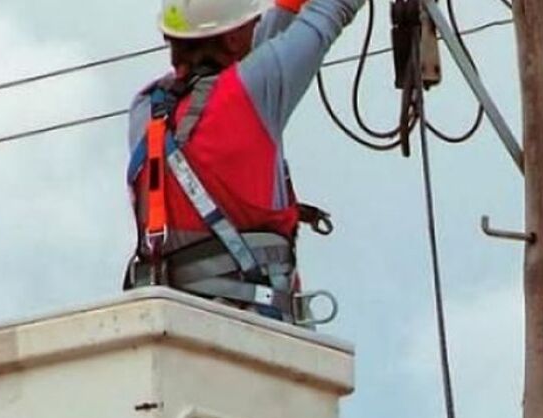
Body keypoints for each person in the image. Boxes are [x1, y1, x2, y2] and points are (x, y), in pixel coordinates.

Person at [124, 0, 364, 323]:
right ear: (234, 39)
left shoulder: (146, 110)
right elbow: (331, 10)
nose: (258, 25)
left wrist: (288, 6)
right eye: (252, 21)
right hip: (254, 328)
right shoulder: (252, 90)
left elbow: (254, 61)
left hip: (176, 321)